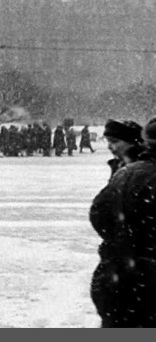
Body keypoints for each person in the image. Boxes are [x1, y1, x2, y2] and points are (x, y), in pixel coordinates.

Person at [89, 119, 156, 327]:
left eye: (115, 141)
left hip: (119, 274)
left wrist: (122, 240)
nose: (111, 147)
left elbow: (100, 214)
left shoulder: (128, 172)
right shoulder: (134, 172)